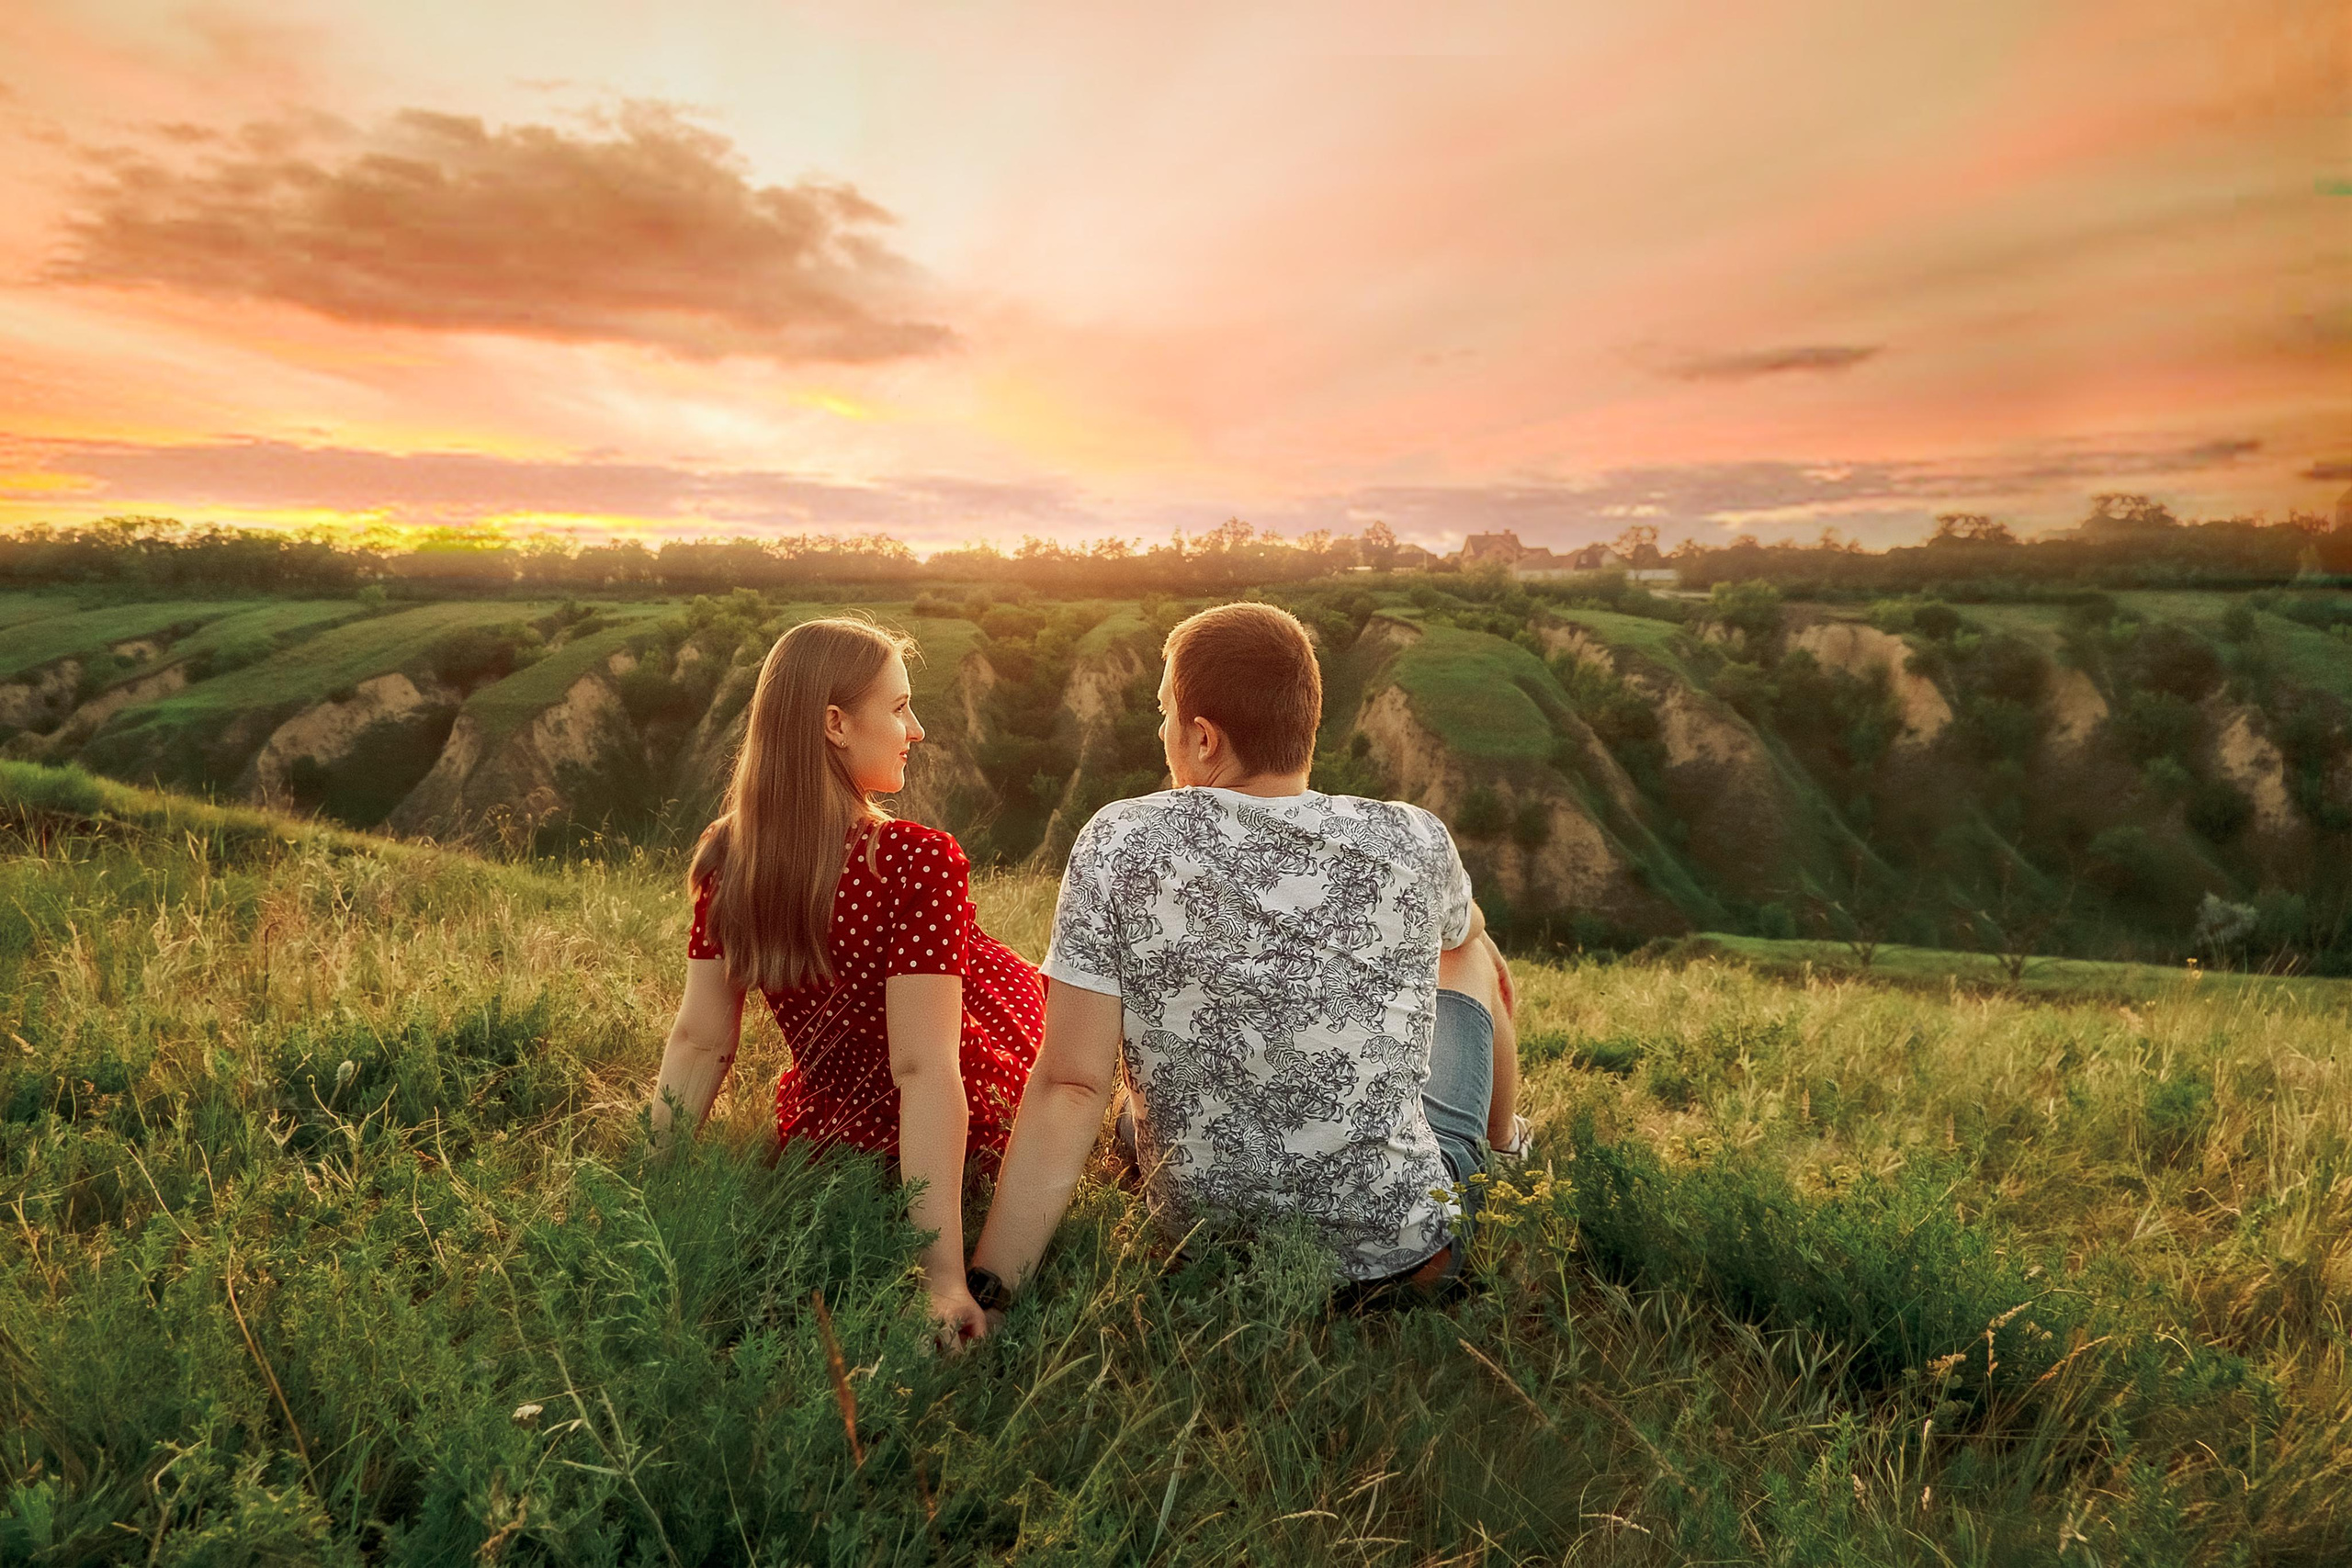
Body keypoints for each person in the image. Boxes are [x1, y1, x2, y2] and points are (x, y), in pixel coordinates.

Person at [967, 602, 1522, 1321]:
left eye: (1164, 713)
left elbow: (1073, 1084)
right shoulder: (1412, 835)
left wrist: (993, 1290)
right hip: (1409, 1259)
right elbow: (1465, 934)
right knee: (1473, 956)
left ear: (1203, 738)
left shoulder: (1118, 842)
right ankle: (1506, 1147)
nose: (1160, 730)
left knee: (1139, 1123)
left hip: (1207, 1248)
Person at [650, 616, 1042, 1344]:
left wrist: (651, 1184)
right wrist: (942, 1280)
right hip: (975, 1113)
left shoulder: (730, 853)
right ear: (835, 723)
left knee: (1016, 971)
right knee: (1049, 994)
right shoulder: (915, 858)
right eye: (898, 707)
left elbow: (700, 1041)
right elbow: (926, 1069)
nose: (916, 728)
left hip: (833, 1135)